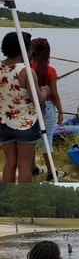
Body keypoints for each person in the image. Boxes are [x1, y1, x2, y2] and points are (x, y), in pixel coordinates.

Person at [0, 32, 40, 183]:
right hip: (25, 123)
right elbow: (38, 100)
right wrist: (44, 91)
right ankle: (24, 199)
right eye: (30, 48)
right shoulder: (26, 71)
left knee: (10, 163)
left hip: (4, 121)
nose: (31, 52)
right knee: (24, 165)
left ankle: (7, 197)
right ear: (23, 49)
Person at [29, 38, 63, 181]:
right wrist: (60, 111)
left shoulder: (27, 69)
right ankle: (51, 172)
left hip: (30, 108)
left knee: (30, 140)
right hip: (47, 107)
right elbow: (54, 94)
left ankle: (33, 169)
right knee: (47, 140)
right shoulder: (50, 70)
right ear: (47, 52)